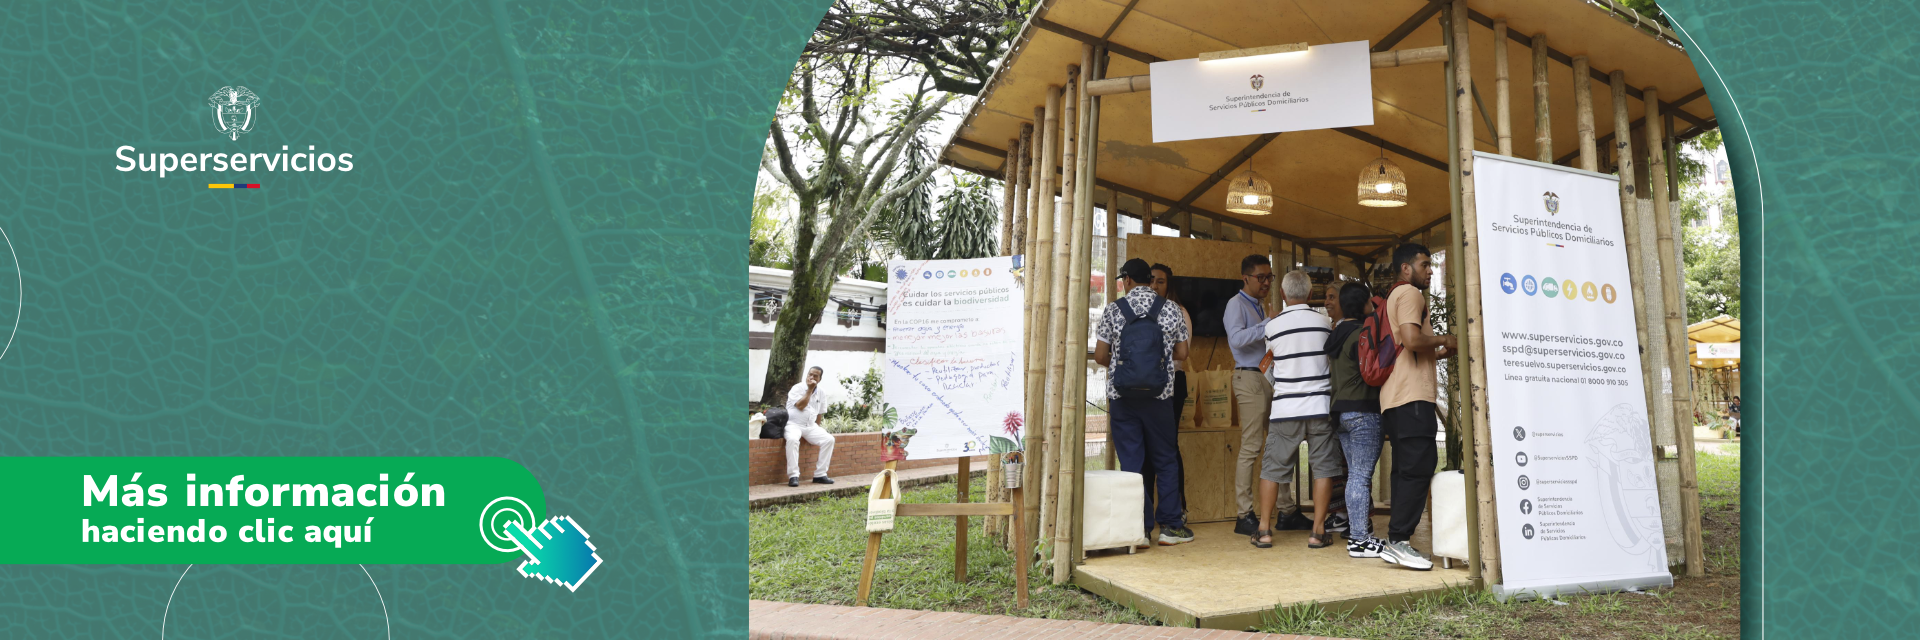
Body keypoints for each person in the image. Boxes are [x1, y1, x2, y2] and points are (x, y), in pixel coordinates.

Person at [1095, 258, 1194, 545]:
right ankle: (1171, 527)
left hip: (1123, 399)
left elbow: (1101, 357)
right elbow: (1183, 353)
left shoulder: (1114, 310)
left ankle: (1137, 529)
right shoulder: (1171, 309)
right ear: (1149, 281)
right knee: (1165, 460)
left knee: (1132, 463)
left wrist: (1126, 368)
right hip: (1160, 396)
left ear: (1126, 280)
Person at [1377, 243, 1457, 570]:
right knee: (1418, 465)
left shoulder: (1393, 297)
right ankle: (1398, 540)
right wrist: (1445, 339)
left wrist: (1435, 352)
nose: (1430, 270)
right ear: (1406, 269)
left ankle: (1396, 540)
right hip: (1410, 398)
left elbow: (1405, 348)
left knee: (1405, 468)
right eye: (1425, 264)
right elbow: (1411, 340)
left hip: (1397, 396)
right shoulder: (1410, 293)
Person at [1253, 270, 1343, 549]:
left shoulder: (1272, 326)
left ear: (1282, 294)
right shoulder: (1325, 323)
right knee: (1323, 468)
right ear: (1309, 294)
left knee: (1272, 470)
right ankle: (1317, 532)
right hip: (1319, 406)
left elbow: (1271, 367)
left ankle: (1265, 530)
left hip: (1285, 409)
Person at [1223, 255, 1311, 535]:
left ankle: (1286, 510)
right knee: (1251, 446)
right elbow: (1236, 339)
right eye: (1260, 277)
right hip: (1248, 376)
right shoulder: (1235, 305)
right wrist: (1268, 324)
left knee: (1278, 445)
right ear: (1245, 278)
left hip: (1268, 377)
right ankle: (1244, 514)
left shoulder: (1260, 306)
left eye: (1269, 277)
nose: (1265, 282)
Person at [1327, 282, 1385, 559]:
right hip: (1363, 410)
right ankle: (1360, 539)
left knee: (1354, 477)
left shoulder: (1336, 333)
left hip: (1340, 412)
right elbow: (1372, 371)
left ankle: (1359, 535)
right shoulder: (1363, 333)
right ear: (1364, 305)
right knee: (1361, 478)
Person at [1149, 264, 1195, 430]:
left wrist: (1150, 354)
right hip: (1147, 381)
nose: (1154, 286)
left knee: (1167, 442)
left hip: (1173, 379)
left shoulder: (1180, 312)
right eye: (1151, 280)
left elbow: (1182, 353)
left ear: (1169, 285)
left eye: (1160, 282)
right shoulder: (1142, 311)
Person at [784, 366, 837, 487]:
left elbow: (820, 413)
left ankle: (820, 475)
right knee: (792, 440)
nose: (812, 377)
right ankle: (793, 476)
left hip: (810, 426)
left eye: (815, 376)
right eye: (810, 374)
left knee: (829, 439)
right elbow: (800, 406)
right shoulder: (797, 388)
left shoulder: (822, 392)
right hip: (793, 424)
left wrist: (816, 430)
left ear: (820, 379)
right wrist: (809, 390)